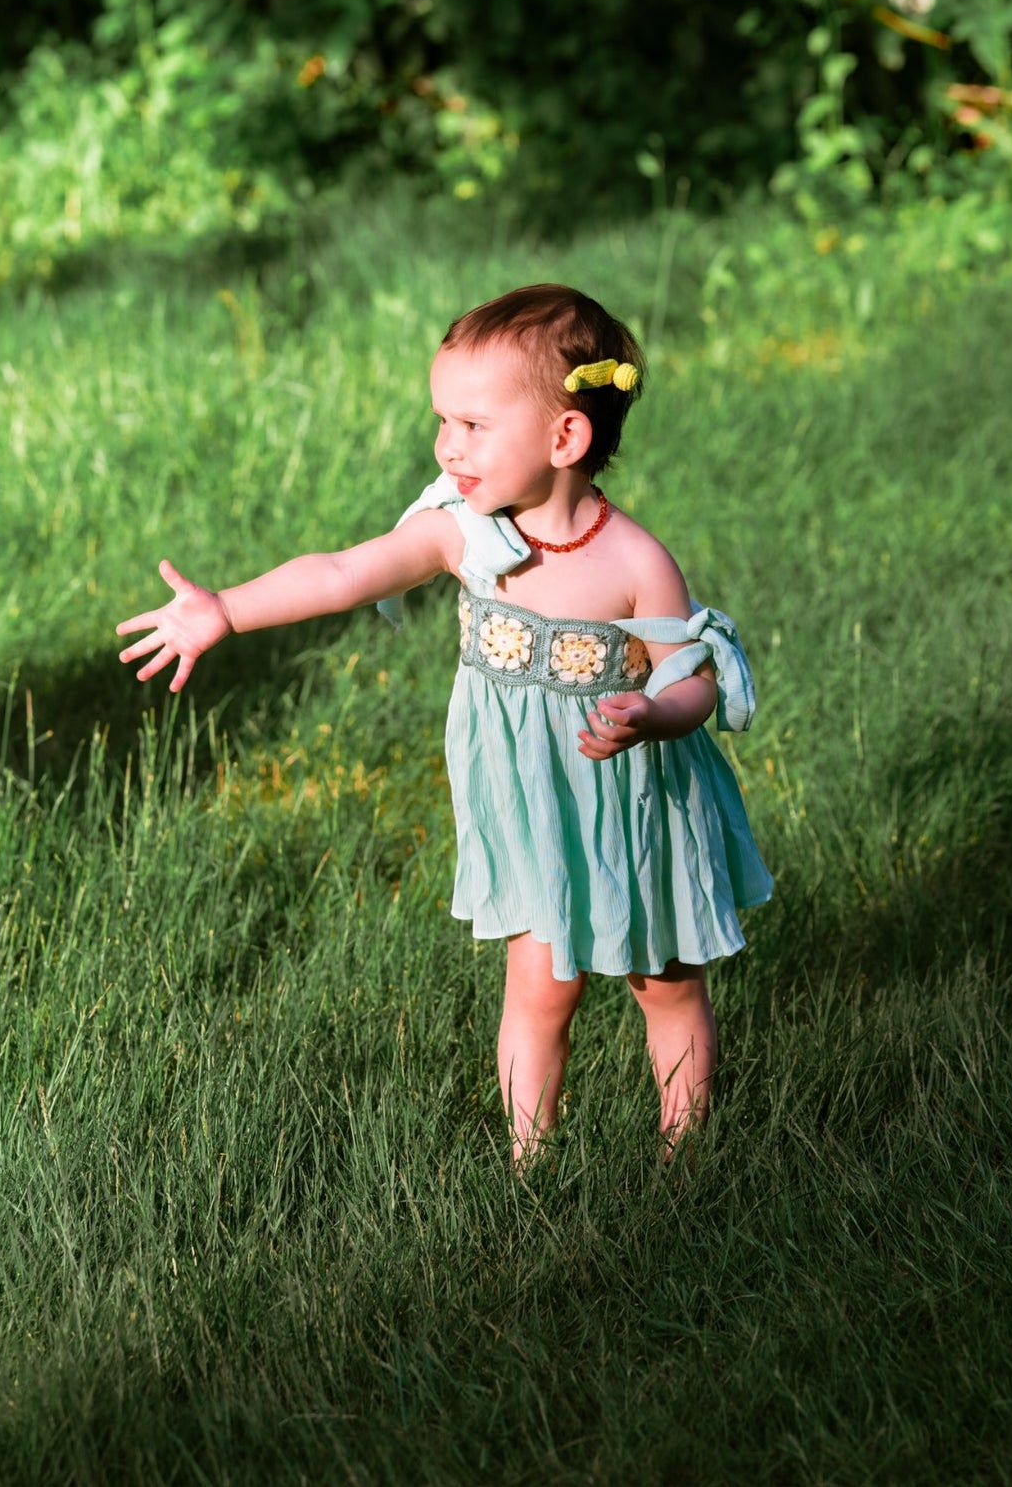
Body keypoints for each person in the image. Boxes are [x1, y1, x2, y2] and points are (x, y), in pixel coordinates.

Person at [116, 284, 772, 1165]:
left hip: (634, 800)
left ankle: (685, 1154)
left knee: (665, 984)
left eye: (471, 426)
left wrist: (652, 715)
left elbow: (692, 683)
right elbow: (344, 571)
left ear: (564, 438)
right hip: (533, 803)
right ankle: (528, 1161)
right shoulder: (461, 534)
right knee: (540, 989)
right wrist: (225, 610)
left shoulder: (634, 561)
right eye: (442, 421)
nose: (445, 446)